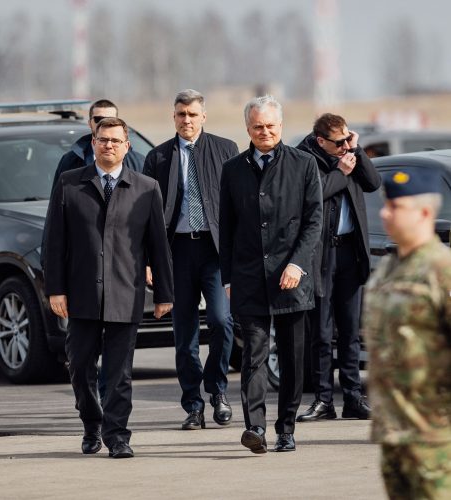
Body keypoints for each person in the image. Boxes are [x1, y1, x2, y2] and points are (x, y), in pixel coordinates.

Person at [44, 117, 173, 458]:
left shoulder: (146, 188)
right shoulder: (70, 184)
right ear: (93, 143)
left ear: (127, 147)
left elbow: (158, 245)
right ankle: (91, 423)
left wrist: (164, 293)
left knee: (119, 373)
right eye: (103, 140)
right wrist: (55, 289)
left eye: (116, 141)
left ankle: (118, 436)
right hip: (82, 294)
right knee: (80, 365)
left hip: (125, 293)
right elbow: (54, 241)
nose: (109, 145)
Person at [219, 95, 323, 453]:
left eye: (271, 126)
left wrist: (297, 264)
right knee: (254, 356)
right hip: (248, 276)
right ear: (247, 128)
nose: (265, 132)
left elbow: (314, 222)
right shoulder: (233, 169)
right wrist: (228, 279)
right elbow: (226, 226)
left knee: (294, 359)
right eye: (258, 127)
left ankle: (287, 427)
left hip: (291, 277)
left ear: (281, 126)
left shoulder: (304, 164)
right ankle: (256, 429)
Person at [143, 89, 238, 430]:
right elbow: (148, 217)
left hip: (214, 252)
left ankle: (217, 390)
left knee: (222, 322)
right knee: (185, 336)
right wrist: (149, 260)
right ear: (174, 117)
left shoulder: (226, 150)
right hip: (177, 252)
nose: (187, 120)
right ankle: (193, 405)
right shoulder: (158, 157)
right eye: (181, 114)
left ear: (203, 116)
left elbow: (235, 205)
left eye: (193, 114)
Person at [363, 168, 451, 499]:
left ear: (426, 213)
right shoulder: (388, 268)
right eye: (386, 205)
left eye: (396, 207)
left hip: (436, 439)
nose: (385, 213)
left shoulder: (441, 271)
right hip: (393, 434)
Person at [296, 113, 381, 423]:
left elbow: (373, 183)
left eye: (348, 137)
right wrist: (342, 172)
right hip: (321, 254)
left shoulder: (350, 154)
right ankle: (322, 399)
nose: (345, 144)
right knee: (321, 330)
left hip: (350, 251)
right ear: (321, 142)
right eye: (340, 141)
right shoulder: (305, 158)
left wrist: (356, 151)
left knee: (349, 330)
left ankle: (353, 397)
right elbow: (312, 196)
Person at [51, 98, 145, 192]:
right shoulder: (70, 161)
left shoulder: (139, 162)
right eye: (98, 119)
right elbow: (59, 200)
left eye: (110, 119)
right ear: (89, 123)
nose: (104, 123)